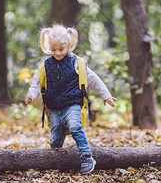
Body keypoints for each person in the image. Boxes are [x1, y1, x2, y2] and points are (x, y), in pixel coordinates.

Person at [25, 24, 117, 173]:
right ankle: (56, 159)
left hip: (72, 104)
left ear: (69, 45)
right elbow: (36, 84)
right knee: (55, 135)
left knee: (75, 126)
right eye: (53, 50)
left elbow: (93, 79)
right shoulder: (45, 65)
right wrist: (31, 95)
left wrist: (106, 95)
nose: (57, 53)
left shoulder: (76, 63)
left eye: (61, 49)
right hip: (54, 107)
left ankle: (86, 157)